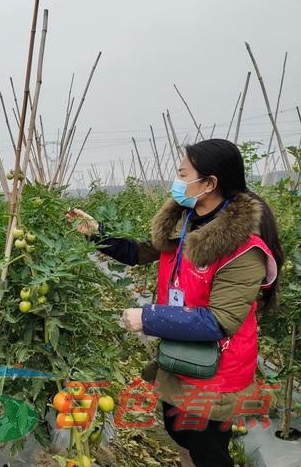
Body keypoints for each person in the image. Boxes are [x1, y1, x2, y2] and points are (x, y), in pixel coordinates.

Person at [67, 139, 282, 467]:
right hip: (182, 353)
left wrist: (149, 317)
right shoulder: (183, 224)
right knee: (179, 430)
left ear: (209, 184)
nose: (177, 181)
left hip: (217, 369)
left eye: (183, 174)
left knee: (208, 449)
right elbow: (139, 253)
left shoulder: (243, 250)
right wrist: (96, 233)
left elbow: (219, 321)